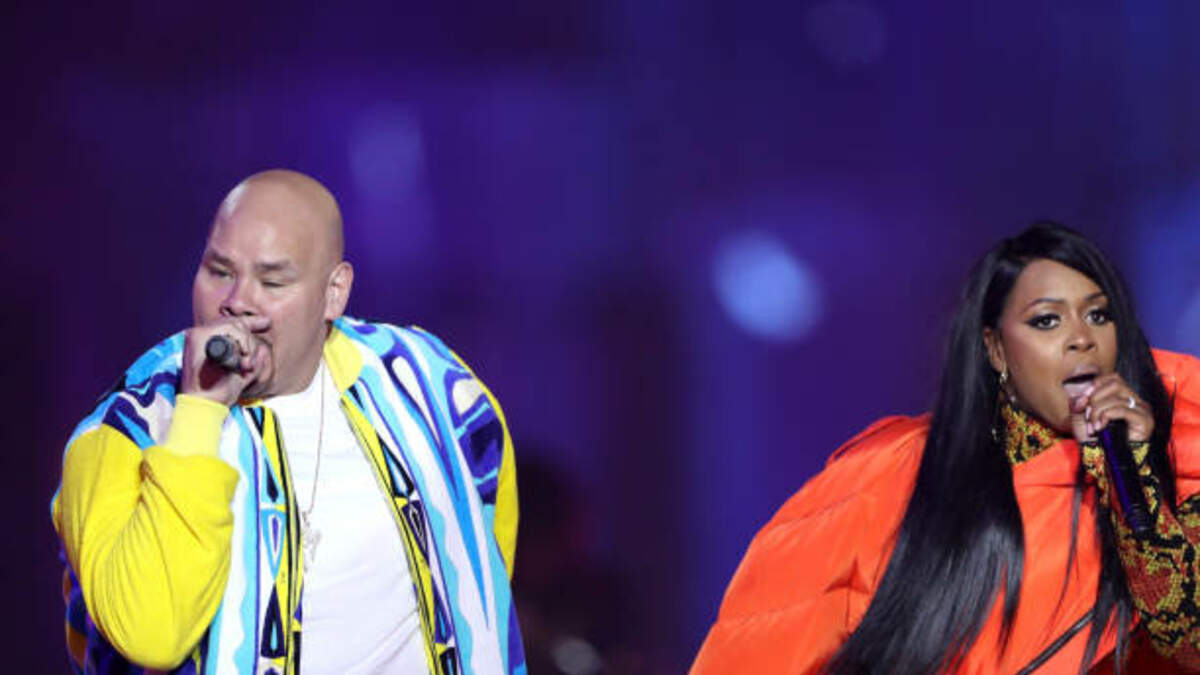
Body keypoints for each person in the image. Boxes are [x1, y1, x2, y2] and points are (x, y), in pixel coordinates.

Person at [51, 169, 525, 674]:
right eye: (219, 272)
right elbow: (152, 634)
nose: (238, 301)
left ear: (334, 292)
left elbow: (488, 570)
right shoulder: (124, 432)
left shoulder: (430, 386)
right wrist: (200, 412)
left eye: (272, 281)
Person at [691, 224, 1200, 673]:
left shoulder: (1180, 457)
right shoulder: (897, 477)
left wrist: (1134, 479)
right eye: (1047, 321)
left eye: (1099, 316)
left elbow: (1190, 645)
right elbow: (774, 642)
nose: (1081, 339)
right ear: (996, 349)